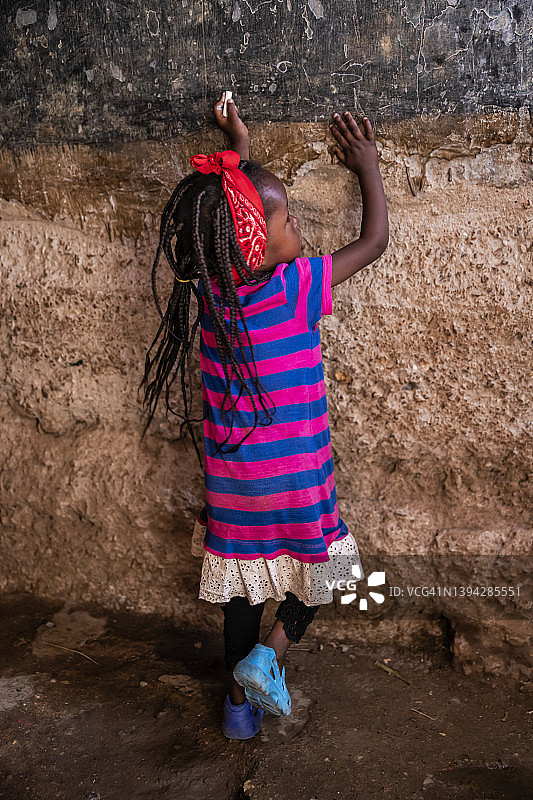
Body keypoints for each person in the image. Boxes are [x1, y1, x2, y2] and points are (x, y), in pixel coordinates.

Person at [141, 91, 389, 740]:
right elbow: (374, 241)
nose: (298, 228)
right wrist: (366, 163)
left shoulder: (210, 290)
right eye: (290, 223)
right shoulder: (296, 286)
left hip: (237, 488)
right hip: (298, 481)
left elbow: (230, 213)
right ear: (255, 244)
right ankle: (268, 657)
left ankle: (236, 712)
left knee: (243, 593)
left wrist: (238, 147)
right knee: (334, 568)